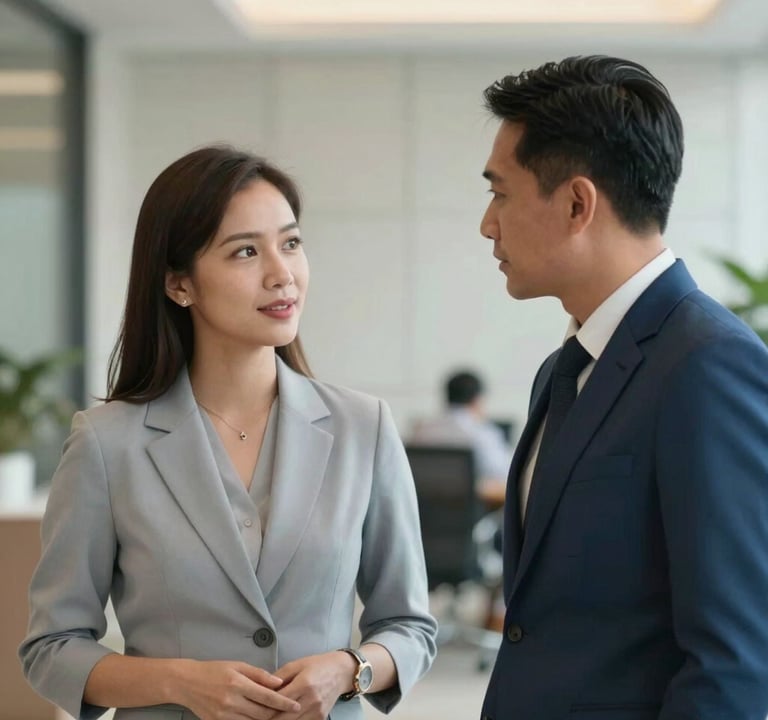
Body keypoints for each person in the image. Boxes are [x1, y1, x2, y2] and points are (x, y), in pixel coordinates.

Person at [19, 146, 437, 720]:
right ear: (179, 284)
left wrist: (350, 668)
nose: (282, 273)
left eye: (291, 243)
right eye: (246, 251)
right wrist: (179, 682)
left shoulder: (363, 428)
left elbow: (410, 626)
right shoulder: (106, 444)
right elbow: (51, 648)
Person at [478, 55, 768, 720]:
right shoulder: (563, 371)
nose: (488, 224)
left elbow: (733, 663)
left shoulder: (709, 364)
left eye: (501, 194)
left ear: (577, 204)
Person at [410, 369, 513, 484]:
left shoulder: (422, 431)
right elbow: (505, 474)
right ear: (477, 400)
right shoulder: (481, 434)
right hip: (477, 495)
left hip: (429, 495)